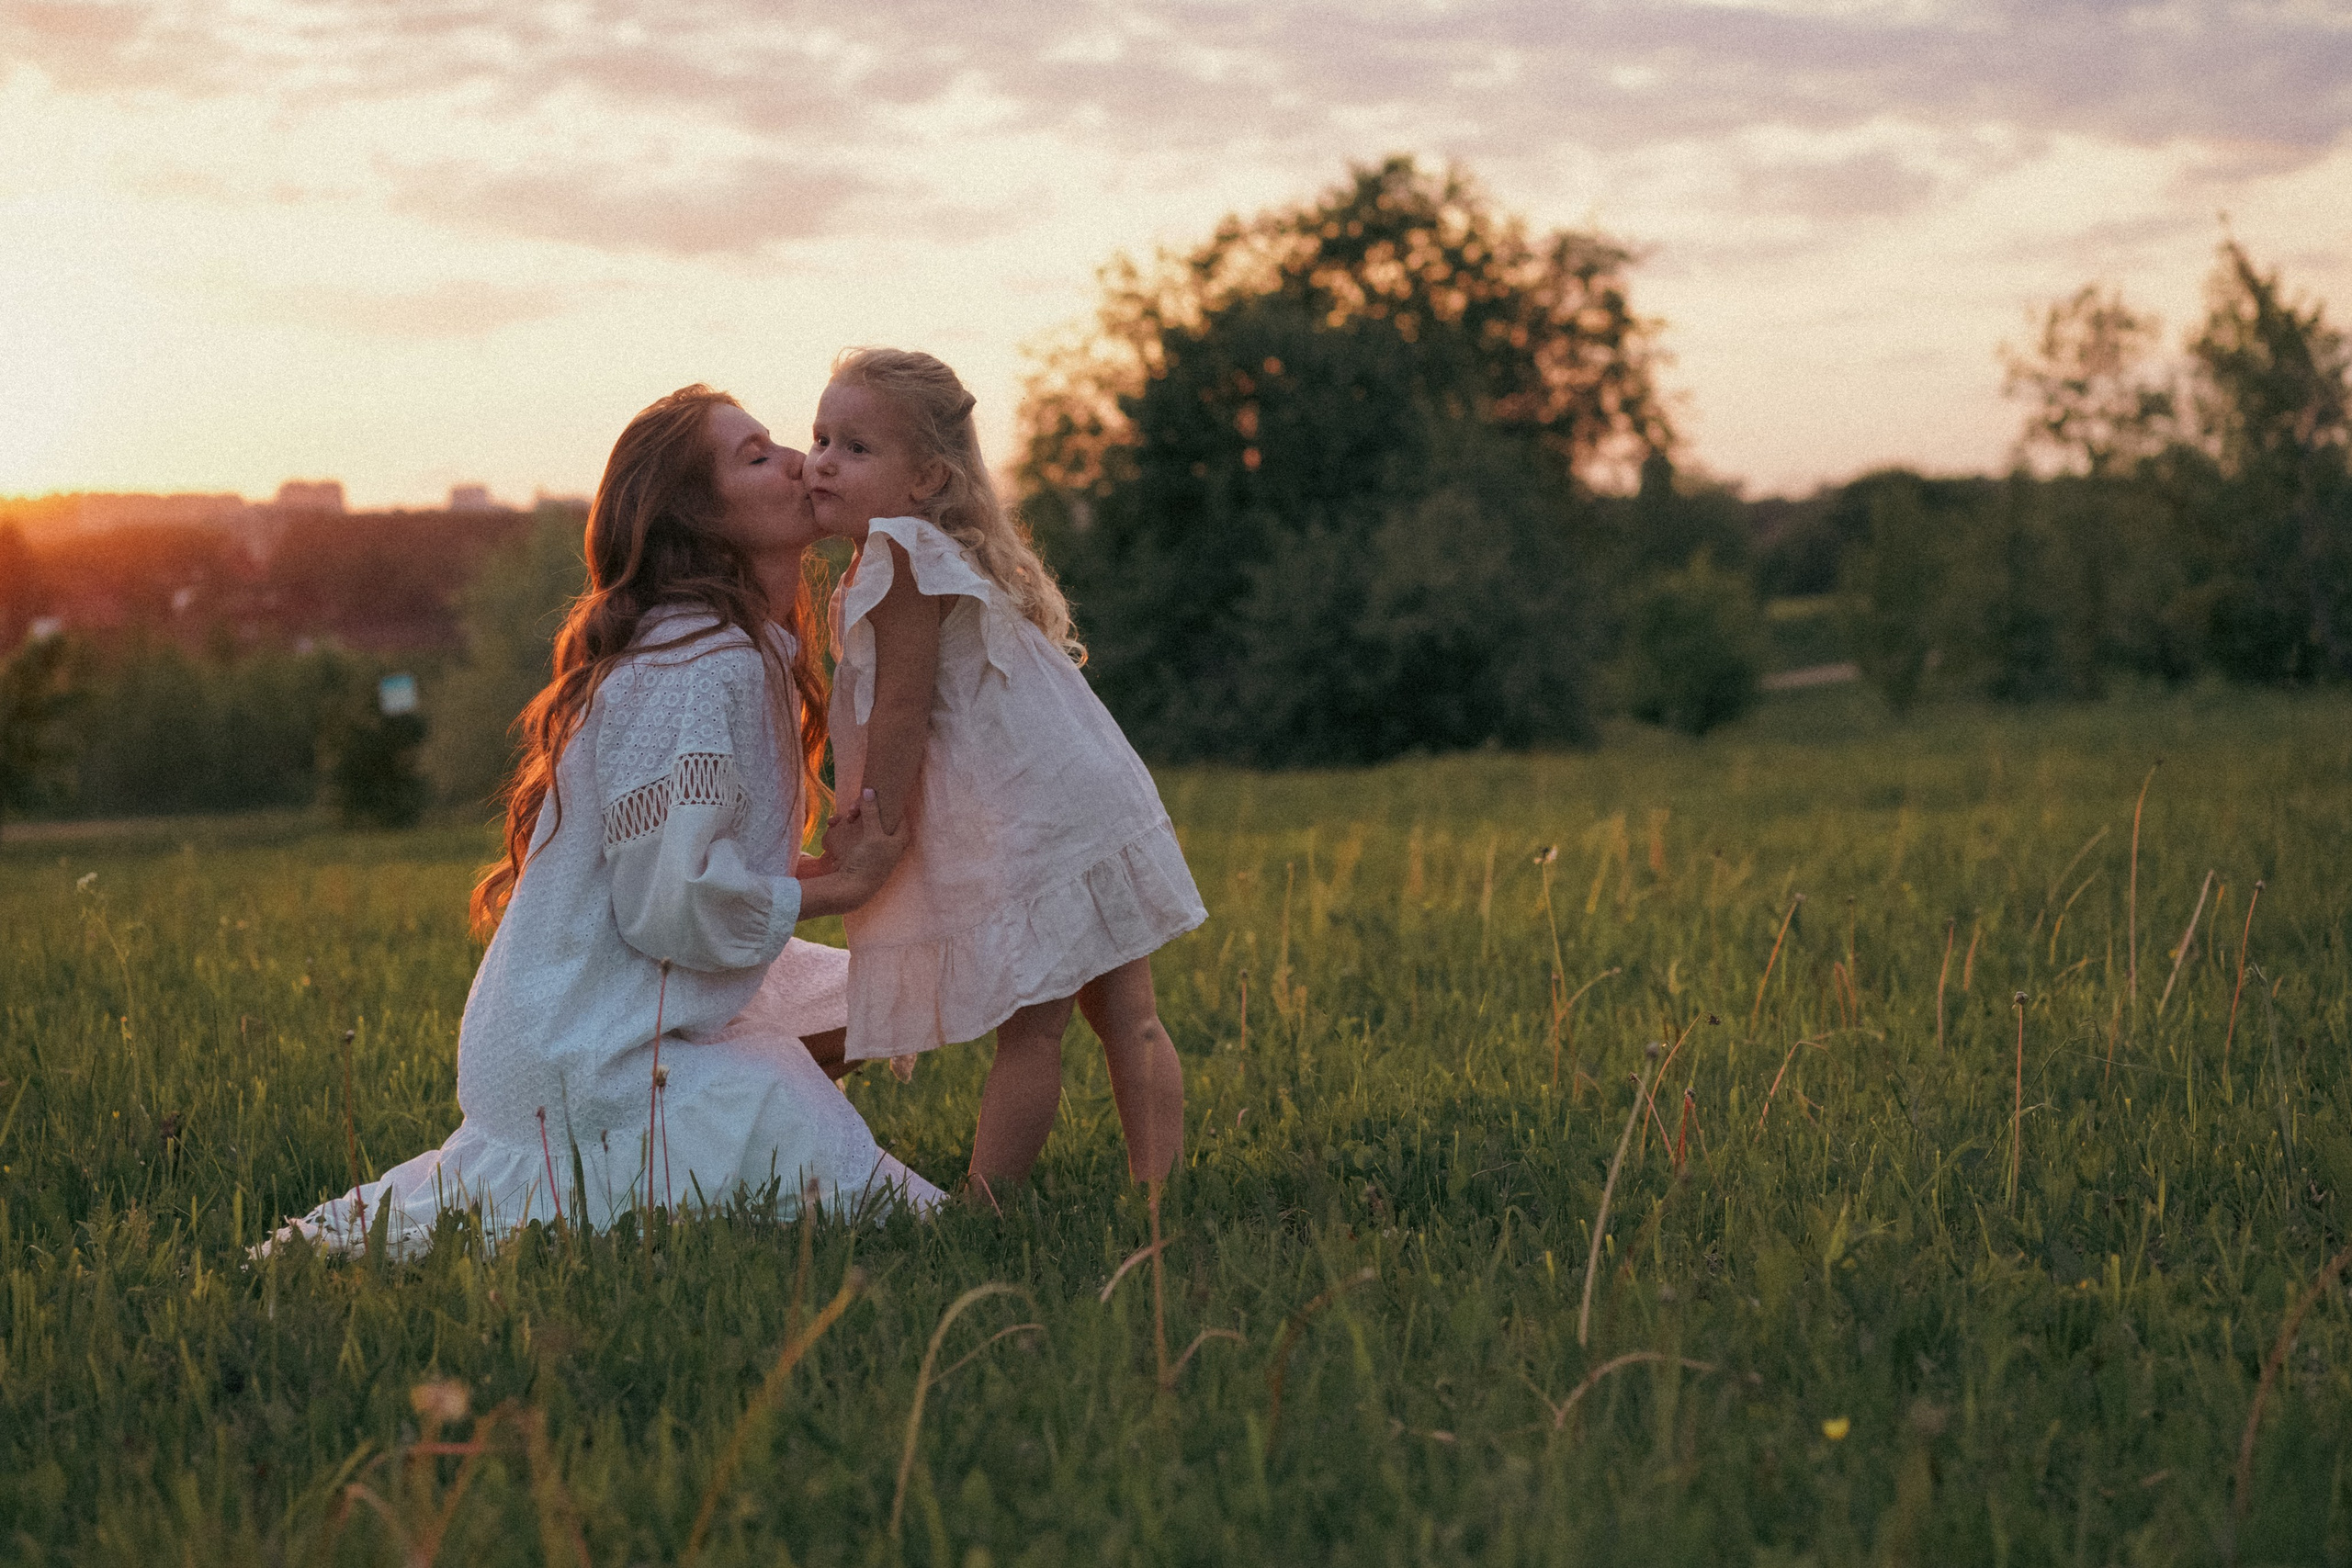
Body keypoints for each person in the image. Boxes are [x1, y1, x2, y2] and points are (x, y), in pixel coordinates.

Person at [270, 385, 942, 1256]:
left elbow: (693, 857)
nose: (796, 462)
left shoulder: (742, 645)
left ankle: (708, 1138)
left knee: (889, 986)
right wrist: (847, 882)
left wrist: (837, 869)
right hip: (585, 1053)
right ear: (698, 517)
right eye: (756, 454)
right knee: (895, 1212)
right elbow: (671, 905)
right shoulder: (701, 665)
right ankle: (676, 1146)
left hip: (629, 1002)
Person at [806, 347, 1206, 1196]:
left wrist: (873, 822)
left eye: (856, 448)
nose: (824, 462)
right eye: (821, 439)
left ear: (925, 481)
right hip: (1078, 795)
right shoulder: (926, 549)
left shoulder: (904, 555)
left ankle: (986, 1207)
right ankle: (1162, 1191)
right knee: (1128, 1017)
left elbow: (903, 710)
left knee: (1035, 1029)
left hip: (1039, 821)